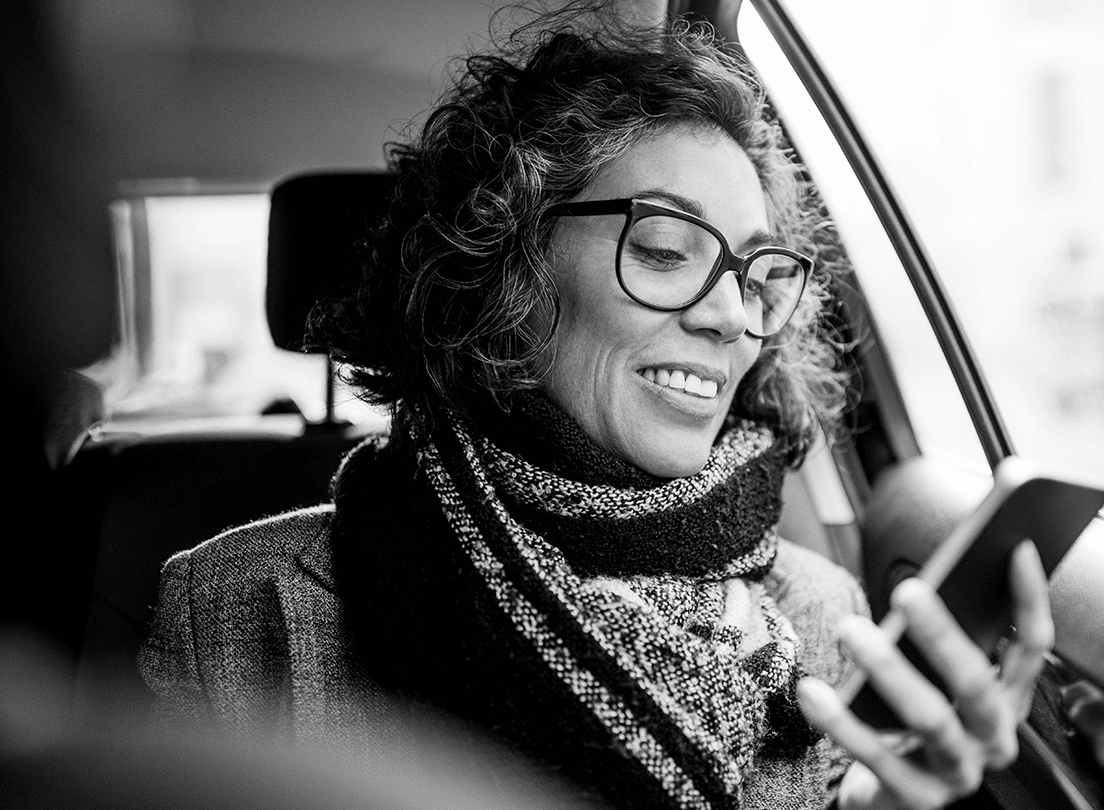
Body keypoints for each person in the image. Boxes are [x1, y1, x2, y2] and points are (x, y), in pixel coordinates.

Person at [140, 14, 1054, 810]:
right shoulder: (240, 608)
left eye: (755, 274)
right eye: (664, 249)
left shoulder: (823, 614)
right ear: (505, 273)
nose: (731, 317)